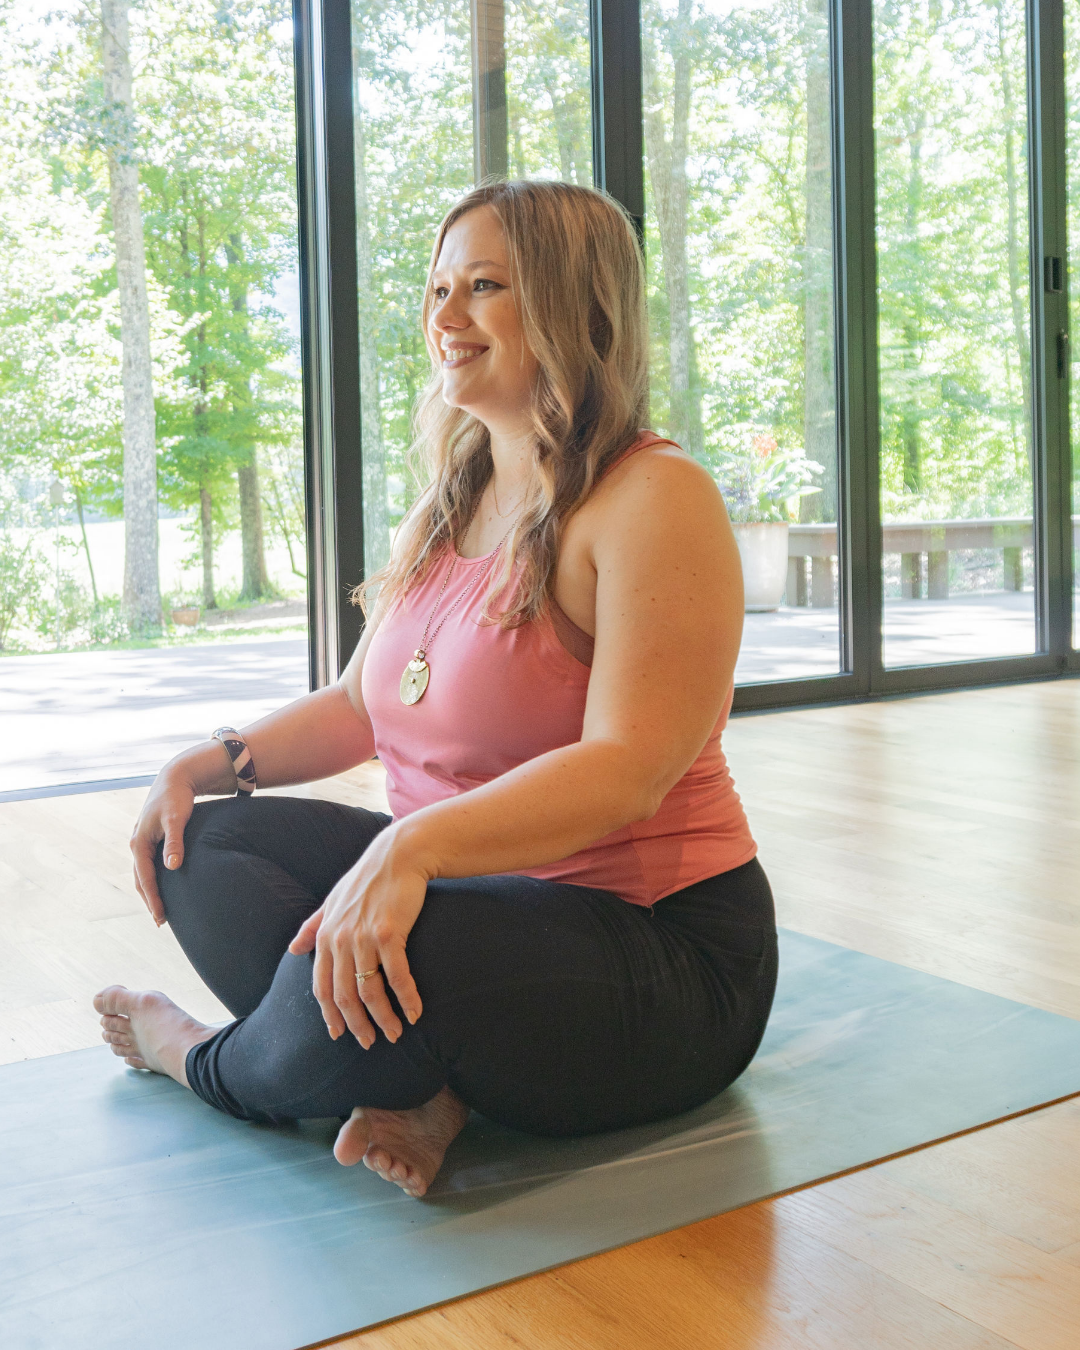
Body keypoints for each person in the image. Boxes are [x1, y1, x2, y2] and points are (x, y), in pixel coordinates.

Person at [95, 180, 778, 1199]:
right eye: (437, 288)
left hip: (661, 955)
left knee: (395, 939)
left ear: (570, 307)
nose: (444, 318)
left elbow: (631, 770)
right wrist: (210, 762)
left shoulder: (652, 497)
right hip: (464, 908)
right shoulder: (453, 500)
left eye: (485, 287)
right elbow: (360, 707)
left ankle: (197, 1055)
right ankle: (432, 1079)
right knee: (204, 846)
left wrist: (409, 847)